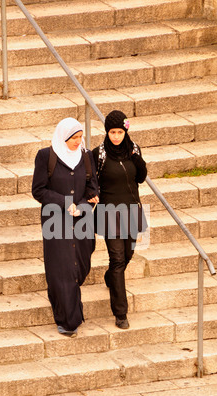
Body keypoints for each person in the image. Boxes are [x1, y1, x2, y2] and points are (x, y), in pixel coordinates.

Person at [32, 118, 99, 337]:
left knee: (80, 266)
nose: (78, 142)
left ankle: (72, 309)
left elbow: (93, 187)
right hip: (55, 222)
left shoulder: (86, 156)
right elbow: (39, 190)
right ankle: (68, 320)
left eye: (80, 137)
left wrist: (82, 205)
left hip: (82, 221)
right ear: (64, 137)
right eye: (74, 138)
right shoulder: (46, 157)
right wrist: (64, 202)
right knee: (61, 271)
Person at [93, 110, 147, 330]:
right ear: (107, 132)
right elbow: (92, 181)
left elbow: (141, 178)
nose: (116, 136)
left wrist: (137, 158)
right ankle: (120, 313)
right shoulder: (99, 154)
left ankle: (110, 278)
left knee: (128, 255)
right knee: (117, 259)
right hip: (109, 213)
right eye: (112, 132)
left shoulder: (134, 150)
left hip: (132, 210)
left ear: (126, 131)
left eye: (119, 132)